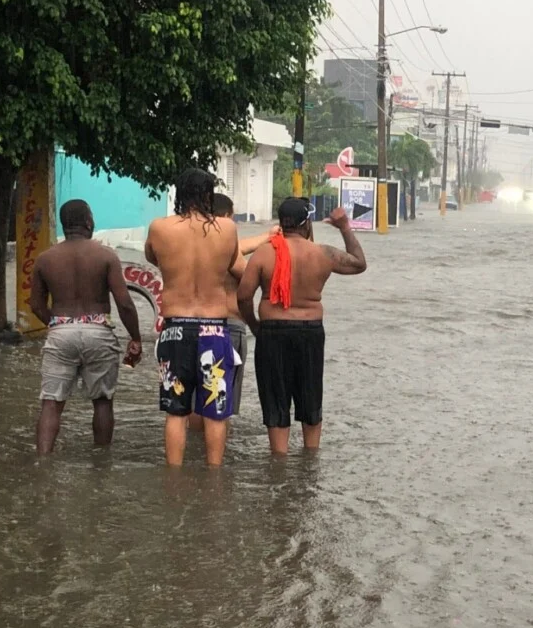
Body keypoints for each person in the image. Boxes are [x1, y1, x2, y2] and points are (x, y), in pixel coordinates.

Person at [237, 201, 367, 455]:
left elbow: (243, 296)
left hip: (272, 332)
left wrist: (255, 326)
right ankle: (310, 461)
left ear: (280, 222)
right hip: (310, 332)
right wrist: (344, 227)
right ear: (306, 223)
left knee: (276, 400)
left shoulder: (264, 253)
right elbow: (359, 263)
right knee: (310, 396)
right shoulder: (322, 253)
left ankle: (279, 464)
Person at [30, 200, 144, 455]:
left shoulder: (45, 259)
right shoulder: (105, 256)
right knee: (102, 402)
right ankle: (101, 461)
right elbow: (124, 302)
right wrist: (135, 338)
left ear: (64, 225)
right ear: (89, 223)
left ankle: (43, 462)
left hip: (60, 333)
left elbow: (35, 305)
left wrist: (58, 324)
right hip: (98, 331)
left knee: (51, 402)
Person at [145, 169, 241, 467]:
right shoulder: (227, 229)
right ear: (210, 195)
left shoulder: (160, 228)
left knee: (176, 412)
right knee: (216, 411)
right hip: (214, 330)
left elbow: (152, 257)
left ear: (179, 193)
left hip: (175, 331)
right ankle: (214, 478)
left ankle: (173, 479)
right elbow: (233, 263)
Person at [184, 194, 278, 435]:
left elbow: (236, 250)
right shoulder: (226, 249)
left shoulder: (192, 246)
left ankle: (194, 455)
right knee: (220, 401)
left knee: (196, 398)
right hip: (228, 327)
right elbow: (247, 277)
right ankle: (215, 462)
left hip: (194, 324)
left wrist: (265, 237)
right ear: (226, 218)